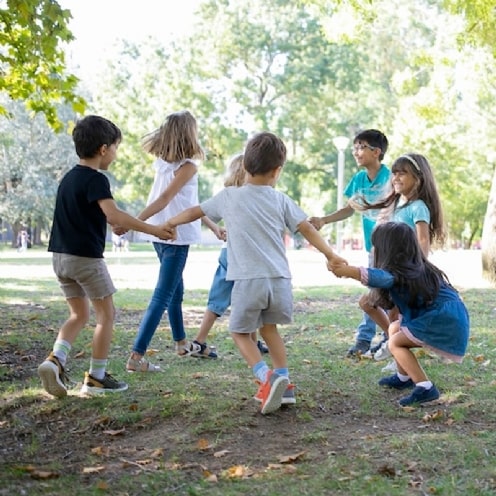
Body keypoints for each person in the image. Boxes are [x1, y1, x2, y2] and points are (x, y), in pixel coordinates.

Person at [164, 131, 346, 414]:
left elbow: (196, 211)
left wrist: (171, 222)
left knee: (239, 331)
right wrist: (331, 255)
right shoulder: (280, 199)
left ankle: (266, 378)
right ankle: (284, 382)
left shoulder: (229, 196)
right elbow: (307, 227)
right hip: (280, 281)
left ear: (245, 166)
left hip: (249, 281)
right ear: (277, 171)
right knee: (269, 330)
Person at [37, 115, 176, 398]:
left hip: (60, 259)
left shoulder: (68, 179)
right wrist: (154, 229)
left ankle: (56, 360)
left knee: (78, 314)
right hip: (86, 260)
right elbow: (113, 214)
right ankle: (96, 378)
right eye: (115, 147)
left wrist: (116, 223)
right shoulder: (96, 179)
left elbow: (97, 216)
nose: (115, 153)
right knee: (106, 315)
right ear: (103, 149)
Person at [330, 222, 469, 406]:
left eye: (376, 246)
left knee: (395, 342)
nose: (373, 250)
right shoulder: (415, 269)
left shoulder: (400, 273)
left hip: (442, 319)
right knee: (395, 328)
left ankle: (426, 387)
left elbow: (380, 277)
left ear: (388, 250)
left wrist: (348, 272)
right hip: (448, 317)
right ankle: (404, 377)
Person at [125, 110, 223, 373]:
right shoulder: (187, 166)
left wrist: (212, 226)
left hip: (161, 233)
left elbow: (189, 203)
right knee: (164, 294)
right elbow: (165, 200)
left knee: (175, 291)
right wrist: (132, 221)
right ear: (189, 133)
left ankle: (181, 343)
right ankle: (136, 356)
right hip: (173, 236)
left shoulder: (163, 163)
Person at [354, 153, 446, 364]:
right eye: (394, 173)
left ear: (418, 178)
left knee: (392, 314)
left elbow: (423, 241)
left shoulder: (419, 207)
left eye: (402, 173)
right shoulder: (398, 206)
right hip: (391, 271)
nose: (395, 177)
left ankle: (397, 356)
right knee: (370, 304)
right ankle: (392, 343)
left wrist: (417, 270)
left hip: (405, 273)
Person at [309, 129, 390, 357]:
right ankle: (384, 337)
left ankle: (368, 339)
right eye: (354, 147)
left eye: (361, 147)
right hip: (372, 247)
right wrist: (324, 220)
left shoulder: (391, 176)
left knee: (377, 292)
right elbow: (348, 209)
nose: (356, 152)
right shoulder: (359, 179)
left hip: (392, 247)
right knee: (376, 291)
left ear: (376, 152)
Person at [191, 153, 268, 359]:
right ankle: (252, 342)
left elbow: (201, 210)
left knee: (217, 299)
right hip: (244, 256)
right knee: (251, 297)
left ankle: (199, 341)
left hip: (227, 253)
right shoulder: (254, 196)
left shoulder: (227, 195)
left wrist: (218, 228)